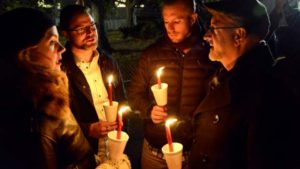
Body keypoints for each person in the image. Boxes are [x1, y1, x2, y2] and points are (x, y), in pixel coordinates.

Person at [189, 0, 299, 168]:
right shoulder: (224, 77)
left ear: (238, 36)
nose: (206, 36)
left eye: (213, 29)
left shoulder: (266, 94)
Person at [0, 7, 96, 169]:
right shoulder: (37, 117)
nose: (62, 48)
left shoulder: (48, 94)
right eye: (52, 42)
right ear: (27, 55)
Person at [127, 0, 217, 168]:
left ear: (193, 18)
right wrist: (149, 109)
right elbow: (133, 95)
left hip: (196, 151)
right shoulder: (152, 55)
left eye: (176, 21)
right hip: (156, 152)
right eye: (166, 22)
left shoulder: (211, 54)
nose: (170, 28)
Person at [59, 4, 126, 164]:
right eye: (80, 29)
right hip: (83, 153)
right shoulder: (61, 69)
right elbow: (56, 122)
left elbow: (122, 99)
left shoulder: (107, 61)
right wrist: (87, 129)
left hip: (116, 147)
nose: (90, 33)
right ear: (65, 33)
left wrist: (123, 123)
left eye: (92, 26)